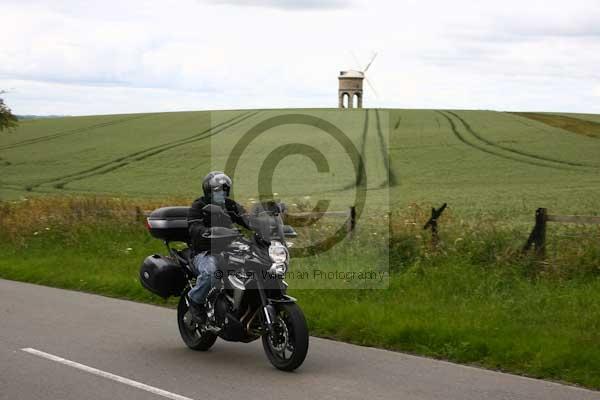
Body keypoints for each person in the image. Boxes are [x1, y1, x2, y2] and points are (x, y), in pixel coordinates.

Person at [186, 171, 250, 321]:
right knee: (211, 272)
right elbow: (194, 227)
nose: (222, 193)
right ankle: (195, 302)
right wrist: (207, 231)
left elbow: (247, 219)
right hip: (204, 252)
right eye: (218, 191)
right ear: (208, 191)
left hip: (230, 250)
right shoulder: (198, 206)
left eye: (224, 190)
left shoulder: (229, 205)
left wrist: (266, 223)